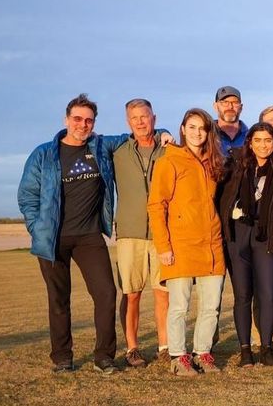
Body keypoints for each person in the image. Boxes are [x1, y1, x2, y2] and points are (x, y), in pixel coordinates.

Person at [19, 94, 130, 374]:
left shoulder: (101, 146)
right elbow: (27, 196)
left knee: (105, 293)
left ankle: (104, 356)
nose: (83, 125)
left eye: (89, 120)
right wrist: (37, 227)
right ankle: (62, 358)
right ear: (66, 119)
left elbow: (135, 136)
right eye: (77, 119)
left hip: (89, 237)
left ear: (94, 123)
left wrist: (163, 133)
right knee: (59, 299)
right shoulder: (43, 154)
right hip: (53, 239)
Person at [147, 108, 227, 376]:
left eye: (202, 128)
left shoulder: (213, 162)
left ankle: (203, 353)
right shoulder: (169, 161)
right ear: (182, 129)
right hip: (179, 244)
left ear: (208, 132)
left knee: (211, 306)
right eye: (191, 127)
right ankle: (178, 356)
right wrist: (164, 247)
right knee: (179, 306)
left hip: (211, 244)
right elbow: (157, 205)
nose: (197, 133)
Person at [218, 123, 273, 367]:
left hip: (266, 234)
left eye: (268, 140)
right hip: (239, 233)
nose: (263, 145)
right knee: (243, 295)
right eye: (258, 140)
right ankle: (245, 351)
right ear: (249, 142)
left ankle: (266, 348)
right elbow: (221, 197)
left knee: (269, 294)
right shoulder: (235, 165)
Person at [111, 98, 170, 367]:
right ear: (128, 122)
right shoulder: (118, 150)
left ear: (154, 118)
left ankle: (166, 345)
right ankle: (132, 348)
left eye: (144, 116)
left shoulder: (169, 150)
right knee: (131, 293)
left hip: (163, 232)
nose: (140, 122)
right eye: (134, 118)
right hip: (129, 232)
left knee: (163, 292)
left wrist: (166, 135)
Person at [213, 86, 248, 154]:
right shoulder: (207, 135)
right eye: (225, 102)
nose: (230, 107)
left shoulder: (251, 137)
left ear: (241, 107)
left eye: (235, 102)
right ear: (215, 106)